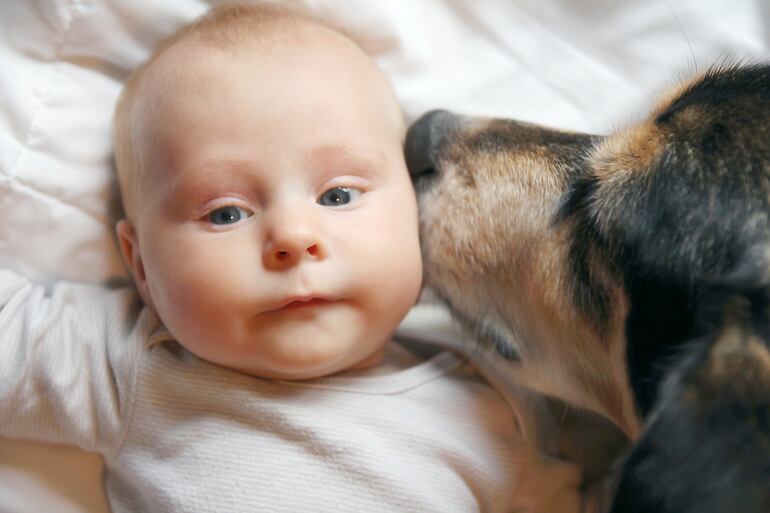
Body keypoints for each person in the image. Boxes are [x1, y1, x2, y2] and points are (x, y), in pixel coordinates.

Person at [0, 4, 584, 512]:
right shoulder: (135, 363)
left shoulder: (493, 396)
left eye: (338, 196)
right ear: (143, 266)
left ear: (416, 207)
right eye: (226, 213)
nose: (294, 237)